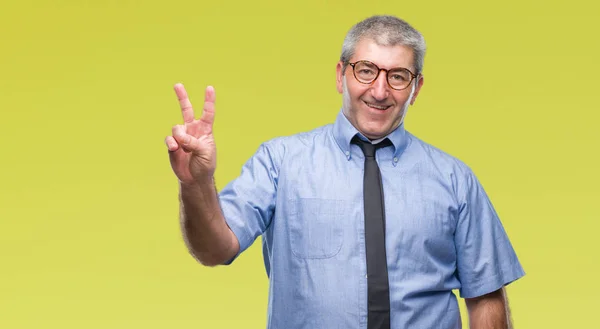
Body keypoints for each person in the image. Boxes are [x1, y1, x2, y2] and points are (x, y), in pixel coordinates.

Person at [165, 15, 525, 329]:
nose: (380, 90)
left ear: (415, 88)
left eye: (398, 76)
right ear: (341, 75)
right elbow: (214, 249)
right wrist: (196, 184)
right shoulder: (281, 162)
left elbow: (486, 296)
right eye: (366, 70)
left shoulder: (455, 180)